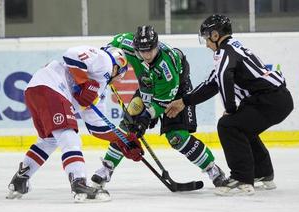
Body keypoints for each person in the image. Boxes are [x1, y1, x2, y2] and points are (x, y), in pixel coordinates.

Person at [165, 14, 294, 195]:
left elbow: (224, 79)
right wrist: (184, 102)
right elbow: (212, 84)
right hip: (279, 99)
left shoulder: (223, 52)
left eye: (207, 38)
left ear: (216, 35)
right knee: (243, 126)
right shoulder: (233, 48)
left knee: (228, 125)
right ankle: (263, 172)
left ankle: (242, 178)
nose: (207, 44)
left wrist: (230, 109)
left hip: (268, 99)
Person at [90, 25, 226, 190]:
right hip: (147, 87)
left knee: (176, 137)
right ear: (135, 47)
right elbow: (105, 53)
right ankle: (107, 168)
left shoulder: (166, 67)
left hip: (176, 91)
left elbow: (161, 103)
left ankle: (213, 170)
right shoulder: (125, 42)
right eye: (143, 51)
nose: (147, 55)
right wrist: (105, 70)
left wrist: (146, 119)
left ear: (157, 45)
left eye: (151, 50)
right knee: (127, 128)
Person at [6, 45, 143, 202]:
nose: (119, 79)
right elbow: (72, 54)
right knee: (69, 136)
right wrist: (84, 83)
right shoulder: (104, 60)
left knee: (49, 140)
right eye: (120, 74)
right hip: (52, 87)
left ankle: (20, 179)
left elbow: (96, 126)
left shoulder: (99, 89)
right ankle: (79, 182)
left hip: (36, 90)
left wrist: (122, 139)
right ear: (117, 66)